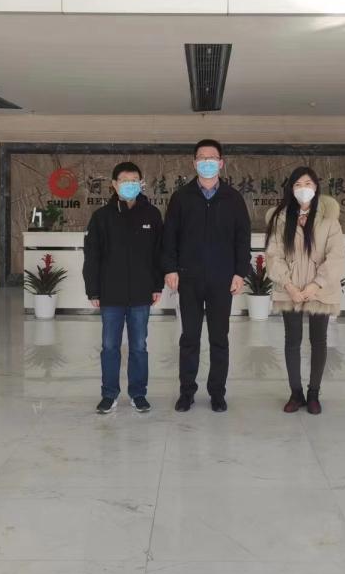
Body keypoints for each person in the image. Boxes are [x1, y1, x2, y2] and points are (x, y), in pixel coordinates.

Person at [163, 139, 251, 413]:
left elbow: (242, 239)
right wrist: (170, 268)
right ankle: (186, 392)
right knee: (189, 337)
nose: (207, 162)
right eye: (202, 158)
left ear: (221, 163)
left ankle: (217, 393)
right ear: (194, 163)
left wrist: (240, 272)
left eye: (212, 158)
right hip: (188, 278)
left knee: (219, 338)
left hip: (221, 280)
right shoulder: (181, 197)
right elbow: (169, 237)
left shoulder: (233, 199)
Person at [83, 162, 164, 414]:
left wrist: (157, 285)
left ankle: (138, 394)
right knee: (110, 347)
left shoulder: (152, 215)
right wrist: (93, 290)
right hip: (111, 294)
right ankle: (109, 394)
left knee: (139, 346)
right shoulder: (101, 217)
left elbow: (158, 254)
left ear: (141, 183)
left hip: (141, 293)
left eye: (134, 180)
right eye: (124, 180)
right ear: (114, 185)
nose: (130, 185)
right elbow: (92, 256)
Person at [264, 167, 345, 415]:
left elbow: (336, 257)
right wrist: (289, 286)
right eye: (298, 184)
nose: (303, 189)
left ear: (316, 187)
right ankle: (295, 393)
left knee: (319, 341)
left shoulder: (329, 220)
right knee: (292, 340)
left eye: (308, 183)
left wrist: (315, 285)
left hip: (320, 290)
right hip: (289, 290)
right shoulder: (280, 219)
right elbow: (273, 255)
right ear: (291, 189)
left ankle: (313, 394)